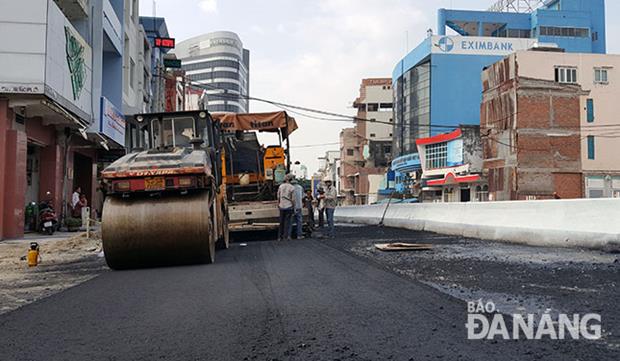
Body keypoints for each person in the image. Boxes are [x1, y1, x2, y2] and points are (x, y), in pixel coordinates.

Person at [277, 174, 296, 241]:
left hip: (282, 206)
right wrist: (294, 206)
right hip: (289, 206)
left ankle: (280, 237)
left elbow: (278, 197)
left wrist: (278, 204)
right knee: (288, 222)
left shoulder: (281, 186)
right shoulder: (292, 187)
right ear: (291, 180)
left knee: (281, 221)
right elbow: (293, 199)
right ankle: (287, 236)